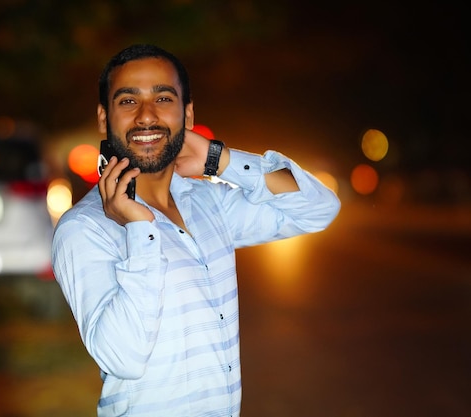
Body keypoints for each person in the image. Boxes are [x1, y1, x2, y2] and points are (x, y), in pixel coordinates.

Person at [51, 44, 341, 417]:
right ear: (104, 118)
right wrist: (141, 228)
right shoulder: (85, 228)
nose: (146, 116)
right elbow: (123, 358)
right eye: (127, 101)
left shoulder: (208, 202)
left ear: (187, 114)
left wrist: (221, 160)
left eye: (163, 97)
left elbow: (319, 206)